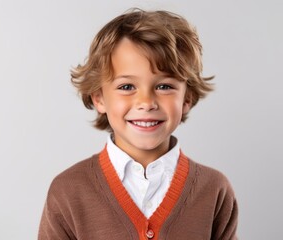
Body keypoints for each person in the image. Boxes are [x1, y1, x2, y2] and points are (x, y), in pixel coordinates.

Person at [38, 8, 238, 240]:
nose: (146, 102)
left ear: (187, 99)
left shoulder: (214, 190)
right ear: (99, 98)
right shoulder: (69, 190)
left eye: (164, 86)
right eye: (126, 87)